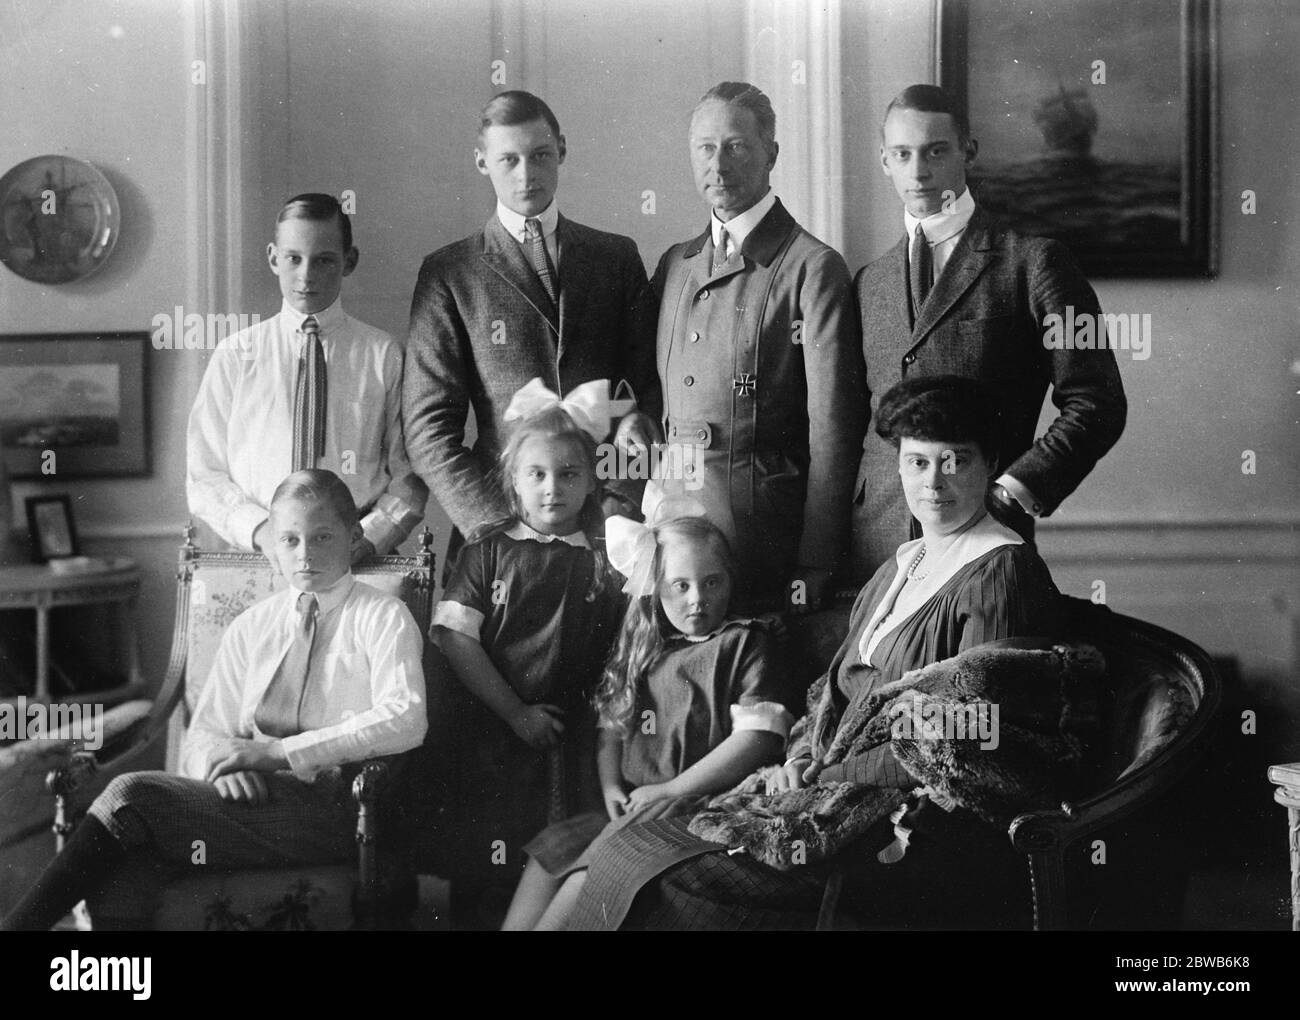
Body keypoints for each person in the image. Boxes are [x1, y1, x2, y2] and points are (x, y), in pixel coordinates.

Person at [561, 376, 1063, 931]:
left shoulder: (1001, 571)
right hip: (833, 786)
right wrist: (800, 760)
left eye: (955, 461)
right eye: (918, 463)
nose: (934, 483)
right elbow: (832, 692)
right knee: (628, 846)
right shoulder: (904, 564)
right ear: (898, 467)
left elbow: (970, 732)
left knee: (682, 876)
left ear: (990, 463)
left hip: (917, 819)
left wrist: (827, 774)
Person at [1, 469, 427, 930]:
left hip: (342, 805)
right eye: (289, 540)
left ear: (354, 535)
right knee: (126, 870)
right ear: (273, 548)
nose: (304, 555)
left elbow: (405, 717)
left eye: (322, 536)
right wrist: (222, 769)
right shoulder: (253, 627)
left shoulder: (383, 616)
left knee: (129, 797)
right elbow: (204, 733)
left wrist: (277, 752)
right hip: (258, 803)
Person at [851, 84, 1126, 579]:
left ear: (968, 152)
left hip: (985, 540)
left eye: (936, 151)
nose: (919, 171)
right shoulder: (870, 281)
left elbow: (1097, 402)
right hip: (877, 549)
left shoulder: (1033, 262)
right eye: (902, 154)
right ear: (885, 161)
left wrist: (1013, 491)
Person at [501, 506, 795, 930]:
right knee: (551, 853)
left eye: (712, 582)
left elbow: (758, 739)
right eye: (680, 585)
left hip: (698, 803)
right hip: (639, 803)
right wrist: (610, 787)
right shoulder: (649, 647)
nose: (697, 598)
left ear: (730, 580)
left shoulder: (744, 644)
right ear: (656, 588)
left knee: (591, 872)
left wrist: (670, 788)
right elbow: (612, 729)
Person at [403, 90, 659, 554]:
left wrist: (619, 505)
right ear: (482, 162)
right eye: (509, 161)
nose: (526, 175)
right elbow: (427, 431)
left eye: (540, 155)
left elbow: (645, 395)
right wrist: (497, 526)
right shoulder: (450, 273)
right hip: (499, 534)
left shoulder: (615, 258)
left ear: (561, 148)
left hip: (607, 529)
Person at [653, 81, 866, 613]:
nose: (718, 165)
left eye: (736, 146)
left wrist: (816, 558)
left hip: (762, 538)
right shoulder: (676, 265)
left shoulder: (812, 269)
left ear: (771, 152)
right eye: (705, 148)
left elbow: (833, 431)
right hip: (675, 542)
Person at [430, 379, 628, 928]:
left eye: (568, 475)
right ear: (513, 480)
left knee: (566, 847)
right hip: (497, 722)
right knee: (490, 846)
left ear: (590, 480)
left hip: (577, 730)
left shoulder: (608, 554)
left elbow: (626, 643)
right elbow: (454, 636)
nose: (552, 489)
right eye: (536, 475)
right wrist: (514, 712)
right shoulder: (489, 550)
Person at [187, 193, 427, 560]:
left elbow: (408, 474)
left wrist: (369, 538)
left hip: (354, 555)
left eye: (324, 260)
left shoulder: (383, 354)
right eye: (293, 259)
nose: (306, 276)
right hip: (259, 552)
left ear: (349, 261)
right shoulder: (236, 355)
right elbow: (204, 474)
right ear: (272, 258)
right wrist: (261, 532)